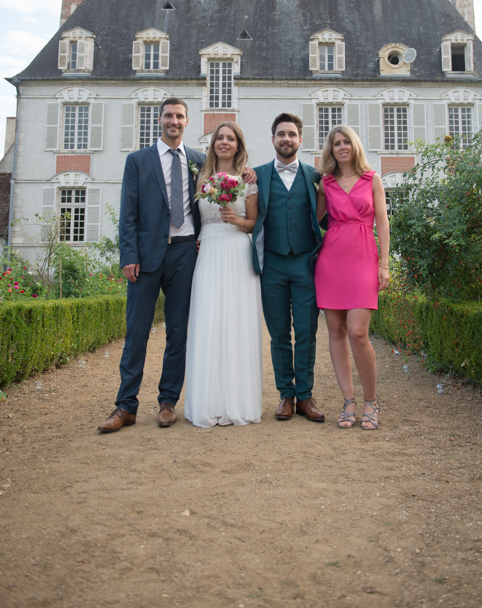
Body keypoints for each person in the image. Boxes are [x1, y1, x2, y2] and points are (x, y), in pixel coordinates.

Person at [97, 99, 256, 433]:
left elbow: (229, 182)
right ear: (160, 119)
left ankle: (167, 402)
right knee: (136, 331)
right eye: (168, 115)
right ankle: (126, 405)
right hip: (145, 257)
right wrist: (128, 255)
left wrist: (251, 172)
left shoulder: (199, 162)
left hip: (186, 254)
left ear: (187, 121)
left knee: (179, 331)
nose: (174, 120)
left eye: (179, 116)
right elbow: (128, 211)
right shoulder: (138, 160)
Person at [184, 122, 262, 427]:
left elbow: (254, 222)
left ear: (238, 145)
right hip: (209, 252)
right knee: (207, 320)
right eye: (220, 138)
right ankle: (208, 400)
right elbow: (193, 218)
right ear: (213, 143)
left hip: (236, 251)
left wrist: (237, 221)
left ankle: (237, 402)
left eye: (230, 138)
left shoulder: (247, 179)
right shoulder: (200, 177)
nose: (224, 142)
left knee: (236, 321)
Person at [314, 125, 390, 431]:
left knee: (358, 333)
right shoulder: (326, 183)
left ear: (354, 145)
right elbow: (313, 220)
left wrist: (384, 264)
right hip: (330, 261)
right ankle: (348, 402)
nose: (342, 147)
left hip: (363, 259)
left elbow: (382, 223)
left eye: (346, 142)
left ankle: (371, 401)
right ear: (331, 150)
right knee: (335, 332)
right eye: (336, 143)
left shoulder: (372, 179)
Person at [252, 113, 325, 422]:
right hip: (271, 264)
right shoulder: (256, 175)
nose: (286, 138)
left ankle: (305, 396)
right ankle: (286, 394)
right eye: (281, 134)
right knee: (279, 333)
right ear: (273, 139)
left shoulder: (315, 176)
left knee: (307, 331)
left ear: (300, 139)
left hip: (305, 263)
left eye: (292, 134)